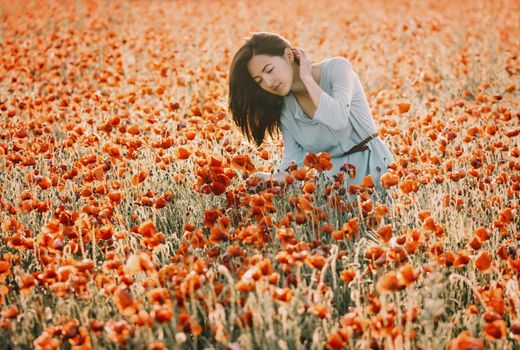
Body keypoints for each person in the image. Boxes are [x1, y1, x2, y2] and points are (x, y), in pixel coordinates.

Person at [228, 32, 394, 202]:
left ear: (288, 55)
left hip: (376, 171)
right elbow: (293, 161)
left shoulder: (337, 69)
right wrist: (268, 179)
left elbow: (338, 119)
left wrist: (307, 78)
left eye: (269, 70)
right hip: (336, 188)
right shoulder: (286, 109)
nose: (268, 82)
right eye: (259, 80)